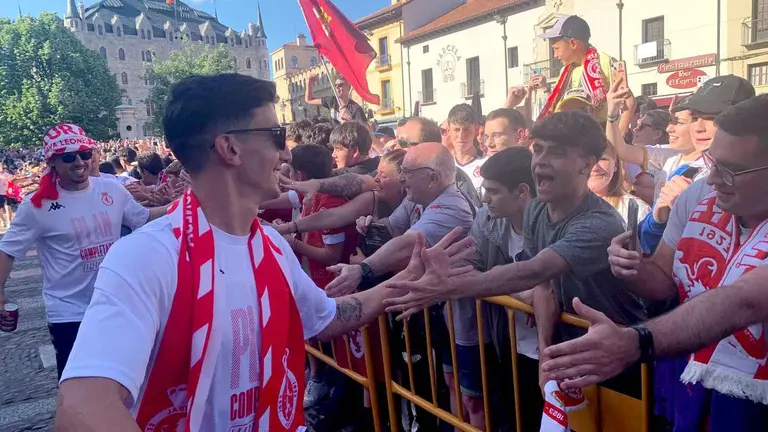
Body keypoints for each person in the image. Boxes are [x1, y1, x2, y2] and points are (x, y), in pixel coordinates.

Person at [54, 74, 474, 431]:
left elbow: (327, 316)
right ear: (230, 148)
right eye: (276, 135)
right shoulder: (146, 257)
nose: (286, 152)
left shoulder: (270, 245)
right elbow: (81, 405)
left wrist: (407, 282)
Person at [542, 94, 768, 431]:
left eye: (732, 170)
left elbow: (745, 301)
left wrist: (635, 342)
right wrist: (633, 268)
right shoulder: (698, 194)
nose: (715, 178)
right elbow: (665, 277)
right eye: (712, 161)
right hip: (686, 377)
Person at [384, 111, 646, 381]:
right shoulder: (537, 210)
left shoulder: (600, 222)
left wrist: (447, 287)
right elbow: (544, 287)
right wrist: (546, 353)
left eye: (555, 153)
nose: (541, 161)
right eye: (539, 150)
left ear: (586, 165)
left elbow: (533, 271)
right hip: (574, 354)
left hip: (619, 360)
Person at [0, 124, 166, 379]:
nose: (79, 161)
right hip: (69, 313)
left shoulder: (111, 189)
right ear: (52, 161)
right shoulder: (37, 205)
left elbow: (142, 219)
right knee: (76, 387)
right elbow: (7, 250)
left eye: (85, 154)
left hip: (114, 303)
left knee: (126, 379)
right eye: (68, 156)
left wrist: (183, 204)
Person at [450, 147, 541, 430]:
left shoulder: (552, 222)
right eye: (484, 189)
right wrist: (521, 291)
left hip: (556, 347)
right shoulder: (486, 219)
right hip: (509, 340)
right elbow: (471, 265)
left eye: (494, 191)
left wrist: (537, 292)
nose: (485, 198)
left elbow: (560, 284)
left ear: (522, 191)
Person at [281, 144, 359, 409]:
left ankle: (344, 399)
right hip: (317, 284)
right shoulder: (311, 197)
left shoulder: (330, 202)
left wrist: (292, 242)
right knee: (321, 345)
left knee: (344, 352)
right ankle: (325, 383)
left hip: (333, 287)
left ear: (300, 175)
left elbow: (331, 256)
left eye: (289, 168)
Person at [536, 15, 615, 122]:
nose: (555, 55)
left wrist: (617, 136)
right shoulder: (565, 71)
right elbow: (557, 104)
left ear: (573, 43)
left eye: (557, 49)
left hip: (599, 130)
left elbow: (628, 102)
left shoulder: (603, 61)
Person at [589, 143, 650, 223]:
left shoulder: (636, 209)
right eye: (586, 160)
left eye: (602, 159)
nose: (595, 167)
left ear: (615, 165)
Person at [448, 104, 486, 196]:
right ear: (449, 130)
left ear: (476, 130)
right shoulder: (445, 165)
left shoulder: (487, 162)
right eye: (456, 130)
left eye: (466, 130)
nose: (461, 136)